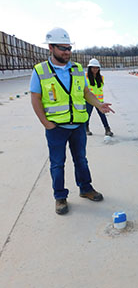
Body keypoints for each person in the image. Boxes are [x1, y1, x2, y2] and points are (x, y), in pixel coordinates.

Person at [30, 28, 114, 215]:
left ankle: (86, 188)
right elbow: (35, 98)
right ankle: (60, 197)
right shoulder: (40, 70)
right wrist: (46, 123)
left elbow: (85, 93)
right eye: (62, 48)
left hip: (78, 126)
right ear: (51, 47)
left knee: (81, 160)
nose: (67, 52)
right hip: (56, 128)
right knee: (57, 164)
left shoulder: (76, 69)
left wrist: (99, 105)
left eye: (69, 48)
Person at [85, 58, 113, 137]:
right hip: (89, 100)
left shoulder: (101, 77)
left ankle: (107, 129)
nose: (95, 69)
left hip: (99, 101)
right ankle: (86, 128)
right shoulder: (85, 77)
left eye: (97, 67)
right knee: (87, 115)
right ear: (90, 68)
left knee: (102, 115)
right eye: (93, 67)